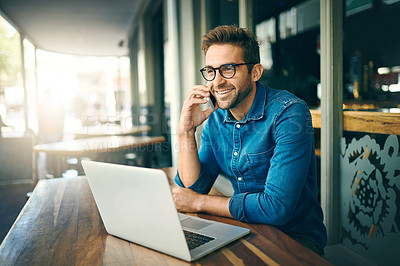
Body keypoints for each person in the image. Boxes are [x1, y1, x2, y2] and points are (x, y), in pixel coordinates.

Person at [173, 25, 327, 255]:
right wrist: (185, 132)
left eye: (228, 69)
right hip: (244, 228)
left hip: (295, 239)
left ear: (255, 72)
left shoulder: (289, 112)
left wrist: (200, 203)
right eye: (211, 71)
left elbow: (276, 208)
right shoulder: (216, 119)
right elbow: (194, 187)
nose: (217, 82)